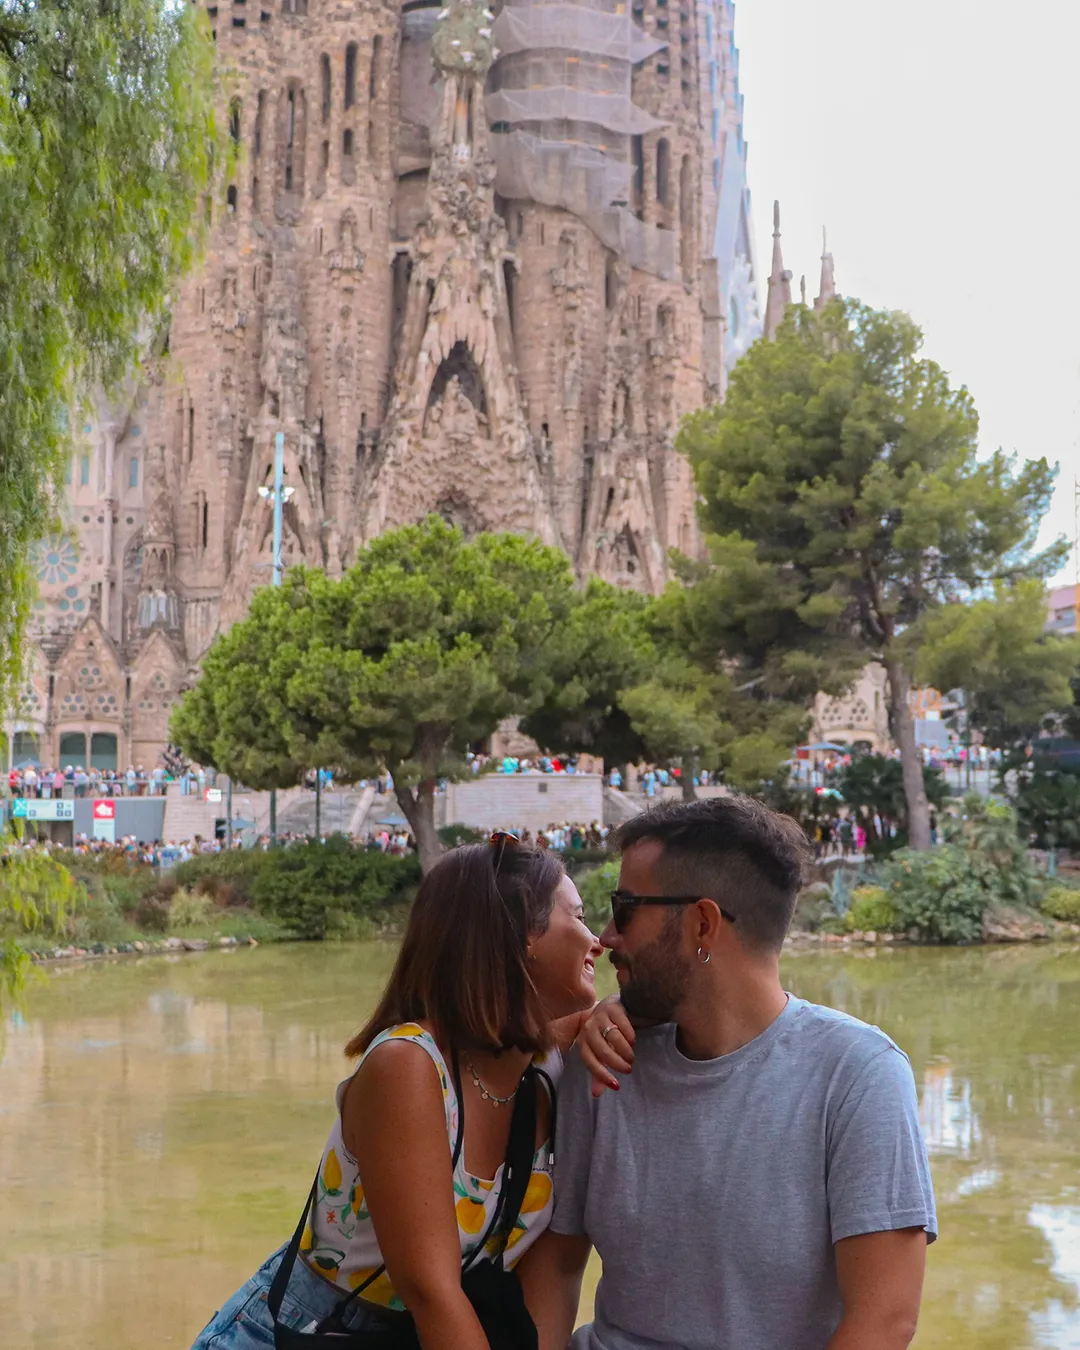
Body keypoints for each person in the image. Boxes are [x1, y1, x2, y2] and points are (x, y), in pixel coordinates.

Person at [528, 796, 936, 1350]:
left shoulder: (859, 1075)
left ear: (701, 923)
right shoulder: (603, 1056)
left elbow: (883, 1321)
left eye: (624, 908)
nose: (606, 937)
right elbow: (555, 1266)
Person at [190, 836, 603, 1350]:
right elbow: (432, 1293)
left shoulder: (547, 1068)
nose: (598, 939)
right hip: (304, 1332)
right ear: (521, 933)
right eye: (580, 916)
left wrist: (616, 1015)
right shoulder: (408, 1066)